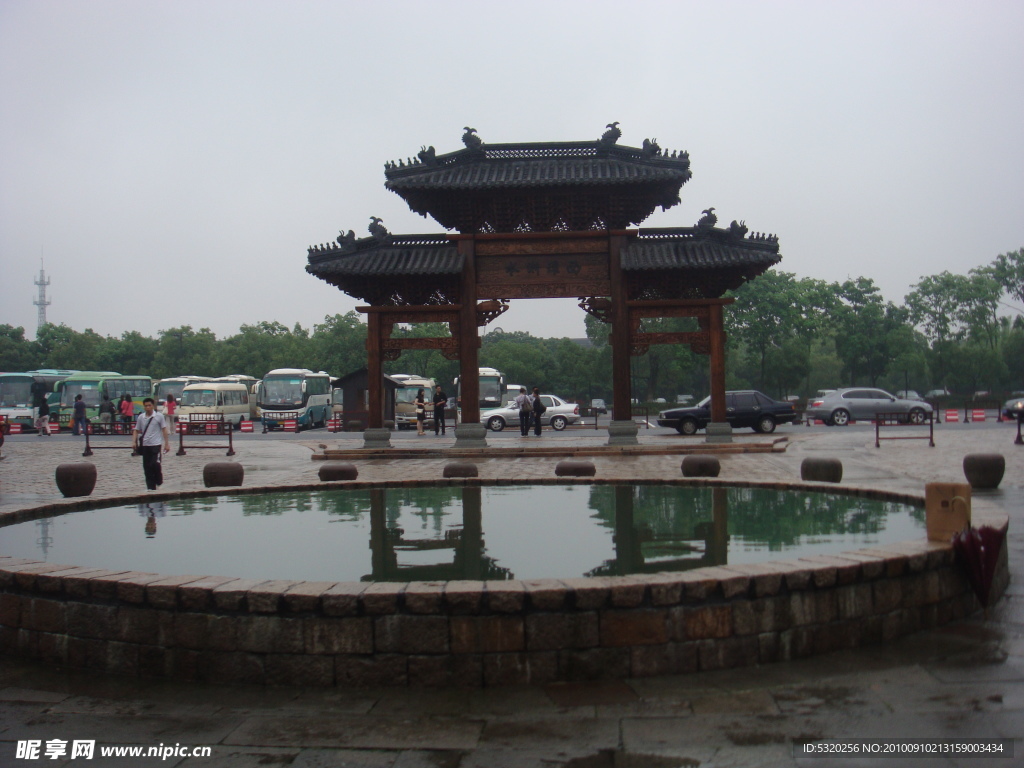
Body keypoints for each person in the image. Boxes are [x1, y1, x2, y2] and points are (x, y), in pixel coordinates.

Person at [132, 397, 170, 491]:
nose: (148, 407)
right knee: (147, 467)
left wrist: (167, 443)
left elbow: (164, 429)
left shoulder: (159, 416)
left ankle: (158, 480)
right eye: (146, 406)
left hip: (156, 445)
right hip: (145, 445)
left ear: (153, 406)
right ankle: (150, 487)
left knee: (155, 464)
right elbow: (136, 430)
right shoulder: (141, 417)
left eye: (149, 405)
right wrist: (134, 442)